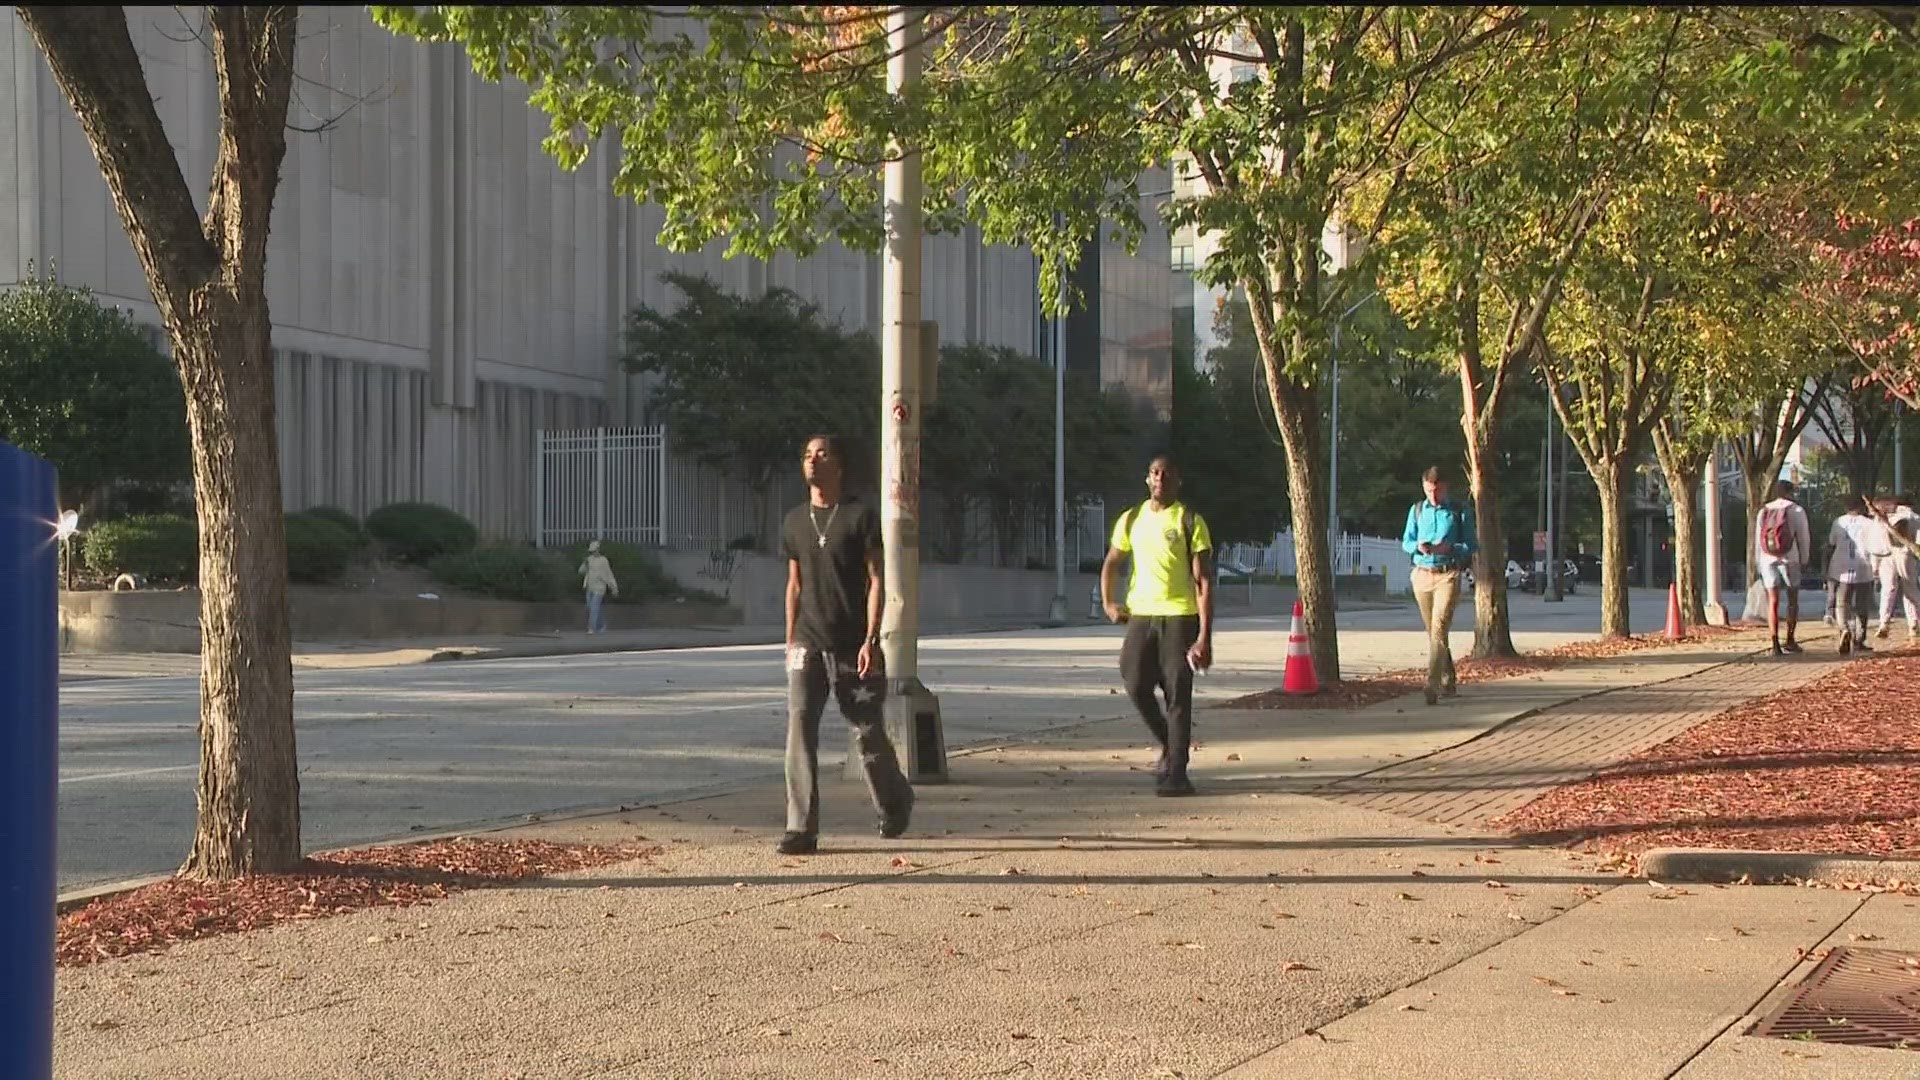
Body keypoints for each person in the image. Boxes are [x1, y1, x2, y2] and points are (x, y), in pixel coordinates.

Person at [776, 434, 913, 856]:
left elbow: (876, 581)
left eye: (822, 455)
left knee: (868, 733)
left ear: (839, 465)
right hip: (808, 644)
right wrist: (789, 640)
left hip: (855, 645)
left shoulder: (860, 517)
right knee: (800, 726)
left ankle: (895, 802)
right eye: (806, 455)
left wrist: (872, 638)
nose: (812, 462)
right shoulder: (794, 522)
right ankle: (801, 828)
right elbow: (794, 585)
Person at [1100, 454, 1214, 797]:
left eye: (1167, 475)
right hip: (1141, 614)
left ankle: (1177, 774)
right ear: (1147, 479)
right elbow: (1112, 563)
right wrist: (1108, 602)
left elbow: (1204, 583)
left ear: (1178, 481)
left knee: (1178, 692)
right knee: (1134, 680)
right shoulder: (1131, 519)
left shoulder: (1190, 521)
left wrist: (1204, 637)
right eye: (1154, 473)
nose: (1160, 479)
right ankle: (1170, 742)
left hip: (1180, 616)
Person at [1400, 465, 1475, 705]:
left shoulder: (1458, 511)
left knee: (1439, 628)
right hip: (1422, 573)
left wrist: (1450, 548)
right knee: (1433, 632)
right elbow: (1406, 541)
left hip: (1447, 573)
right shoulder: (1418, 510)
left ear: (1445, 489)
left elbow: (1472, 545)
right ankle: (1447, 678)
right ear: (1424, 488)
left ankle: (1431, 685)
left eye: (1438, 491)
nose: (1433, 496)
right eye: (1429, 490)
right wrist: (1417, 547)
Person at [1753, 479, 1811, 656]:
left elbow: (1757, 540)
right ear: (1790, 492)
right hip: (1789, 557)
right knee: (1792, 599)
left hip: (1767, 558)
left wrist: (1758, 561)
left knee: (1773, 600)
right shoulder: (1797, 510)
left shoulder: (1764, 511)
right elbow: (1803, 536)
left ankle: (1774, 643)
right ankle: (1790, 639)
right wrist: (1805, 558)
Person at [1827, 494, 1877, 653]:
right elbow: (1874, 546)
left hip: (1841, 567)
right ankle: (1859, 639)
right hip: (1863, 567)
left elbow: (1832, 542)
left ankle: (1844, 629)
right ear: (1861, 506)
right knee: (1861, 605)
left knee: (1842, 603)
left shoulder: (1839, 521)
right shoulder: (1869, 523)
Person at [1869, 494, 1920, 640]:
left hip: (1887, 556)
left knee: (1888, 590)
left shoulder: (1881, 519)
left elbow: (1875, 544)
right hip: (1906, 554)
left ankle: (1884, 623)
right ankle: (1914, 623)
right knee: (1911, 591)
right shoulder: (1915, 517)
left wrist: (1875, 565)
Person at [578, 540, 618, 634]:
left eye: (594, 551)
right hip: (590, 587)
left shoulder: (603, 560)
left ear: (598, 550)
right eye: (591, 552)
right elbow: (581, 571)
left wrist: (614, 588)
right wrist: (584, 564)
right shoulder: (589, 559)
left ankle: (592, 627)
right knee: (590, 606)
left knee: (594, 607)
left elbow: (609, 575)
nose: (593, 553)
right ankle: (601, 626)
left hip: (599, 588)